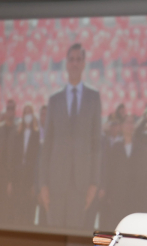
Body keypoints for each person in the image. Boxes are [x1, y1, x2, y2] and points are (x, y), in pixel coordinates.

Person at [39, 42, 102, 228]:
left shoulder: (93, 98)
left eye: (78, 60)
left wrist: (94, 183)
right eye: (72, 59)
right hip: (55, 183)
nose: (75, 63)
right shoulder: (54, 100)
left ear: (84, 64)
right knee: (54, 235)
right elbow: (47, 144)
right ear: (66, 64)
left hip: (81, 184)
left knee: (74, 235)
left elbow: (96, 144)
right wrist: (43, 183)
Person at [12, 103, 40, 224]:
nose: (27, 115)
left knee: (29, 210)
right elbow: (13, 159)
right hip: (18, 177)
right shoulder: (18, 134)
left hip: (30, 177)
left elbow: (37, 160)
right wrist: (11, 180)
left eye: (30, 112)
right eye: (25, 112)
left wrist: (35, 183)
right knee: (17, 209)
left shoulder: (37, 134)